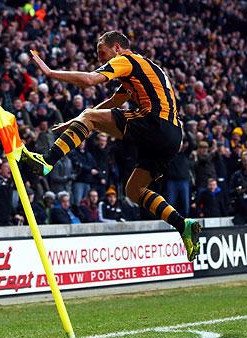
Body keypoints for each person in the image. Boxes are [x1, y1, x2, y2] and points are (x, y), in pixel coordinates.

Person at [21, 31, 201, 261]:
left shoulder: (125, 60)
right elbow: (113, 102)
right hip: (173, 136)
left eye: (102, 53)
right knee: (134, 190)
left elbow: (88, 80)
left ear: (117, 48)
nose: (101, 60)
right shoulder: (141, 69)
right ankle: (183, 225)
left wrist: (50, 73)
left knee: (91, 118)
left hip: (155, 123)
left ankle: (47, 160)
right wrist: (75, 121)